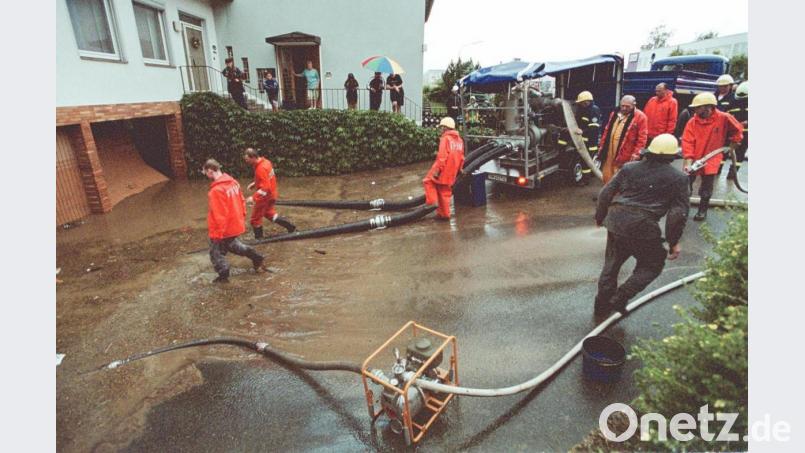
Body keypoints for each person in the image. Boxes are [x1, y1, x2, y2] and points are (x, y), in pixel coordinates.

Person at [594, 134, 690, 316]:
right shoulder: (679, 178)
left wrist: (600, 218)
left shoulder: (629, 169)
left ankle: (601, 306)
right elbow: (678, 214)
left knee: (611, 265)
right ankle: (620, 297)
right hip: (643, 227)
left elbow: (605, 193)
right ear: (672, 156)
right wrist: (673, 242)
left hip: (616, 221)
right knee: (652, 265)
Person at [682, 92, 744, 221]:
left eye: (697, 107)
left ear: (707, 107)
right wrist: (688, 161)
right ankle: (683, 209)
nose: (695, 110)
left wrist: (734, 143)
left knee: (707, 185)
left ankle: (702, 210)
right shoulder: (692, 122)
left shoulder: (724, 117)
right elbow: (687, 141)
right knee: (686, 183)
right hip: (694, 156)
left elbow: (737, 129)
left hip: (713, 156)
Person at [203, 159, 266, 283]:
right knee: (232, 245)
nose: (204, 174)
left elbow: (219, 214)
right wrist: (242, 216)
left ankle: (223, 273)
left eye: (204, 171)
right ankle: (256, 257)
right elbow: (242, 201)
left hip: (223, 228)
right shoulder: (234, 183)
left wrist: (217, 234)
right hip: (235, 224)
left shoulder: (215, 191)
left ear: (210, 171)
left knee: (215, 252)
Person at [243, 148, 296, 238]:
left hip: (265, 197)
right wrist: (255, 183)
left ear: (253, 158)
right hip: (272, 194)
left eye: (247, 159)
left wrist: (253, 198)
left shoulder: (260, 169)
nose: (246, 161)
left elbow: (265, 188)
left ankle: (259, 240)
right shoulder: (266, 162)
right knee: (269, 213)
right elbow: (266, 179)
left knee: (255, 219)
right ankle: (290, 226)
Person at [597, 95, 648, 183]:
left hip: (625, 153)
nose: (624, 108)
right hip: (609, 151)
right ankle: (608, 189)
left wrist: (636, 154)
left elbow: (642, 138)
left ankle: (620, 194)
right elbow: (607, 130)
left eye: (627, 106)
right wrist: (602, 145)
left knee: (621, 174)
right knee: (607, 172)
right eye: (622, 106)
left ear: (634, 105)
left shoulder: (641, 117)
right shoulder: (614, 114)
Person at [423, 117, 465, 220]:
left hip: (443, 170)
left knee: (428, 181)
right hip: (452, 172)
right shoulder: (460, 140)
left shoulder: (445, 139)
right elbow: (462, 157)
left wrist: (437, 171)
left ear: (446, 128)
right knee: (444, 192)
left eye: (442, 127)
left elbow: (442, 157)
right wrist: (460, 169)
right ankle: (445, 215)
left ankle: (432, 204)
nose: (441, 130)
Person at [572, 91, 602, 175]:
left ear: (588, 101)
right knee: (582, 159)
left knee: (587, 161)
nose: (581, 104)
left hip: (590, 142)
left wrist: (582, 131)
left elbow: (593, 128)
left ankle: (585, 179)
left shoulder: (594, 110)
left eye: (582, 102)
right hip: (582, 139)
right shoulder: (582, 109)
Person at [726, 81, 749, 179]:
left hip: (746, 134)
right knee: (724, 151)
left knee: (739, 154)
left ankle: (732, 175)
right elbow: (727, 114)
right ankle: (716, 172)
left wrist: (746, 123)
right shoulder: (734, 101)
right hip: (732, 132)